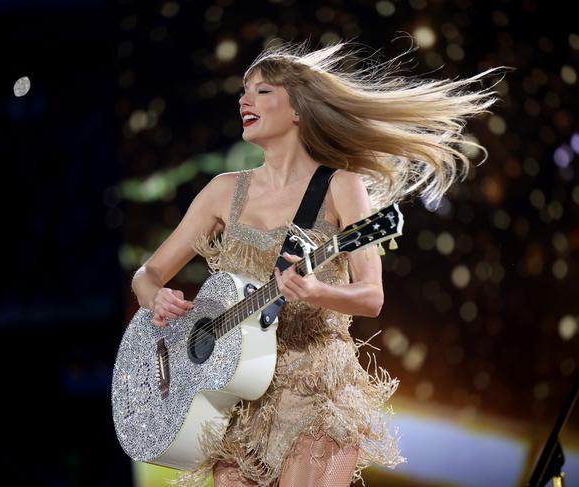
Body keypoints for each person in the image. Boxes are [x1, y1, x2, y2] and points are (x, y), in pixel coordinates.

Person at [131, 39, 509, 486]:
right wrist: (156, 296)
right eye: (243, 92)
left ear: (297, 110)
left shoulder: (342, 187)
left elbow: (372, 297)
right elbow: (147, 273)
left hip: (313, 394)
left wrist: (317, 291)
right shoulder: (222, 192)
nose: (245, 100)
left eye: (262, 91)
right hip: (234, 401)